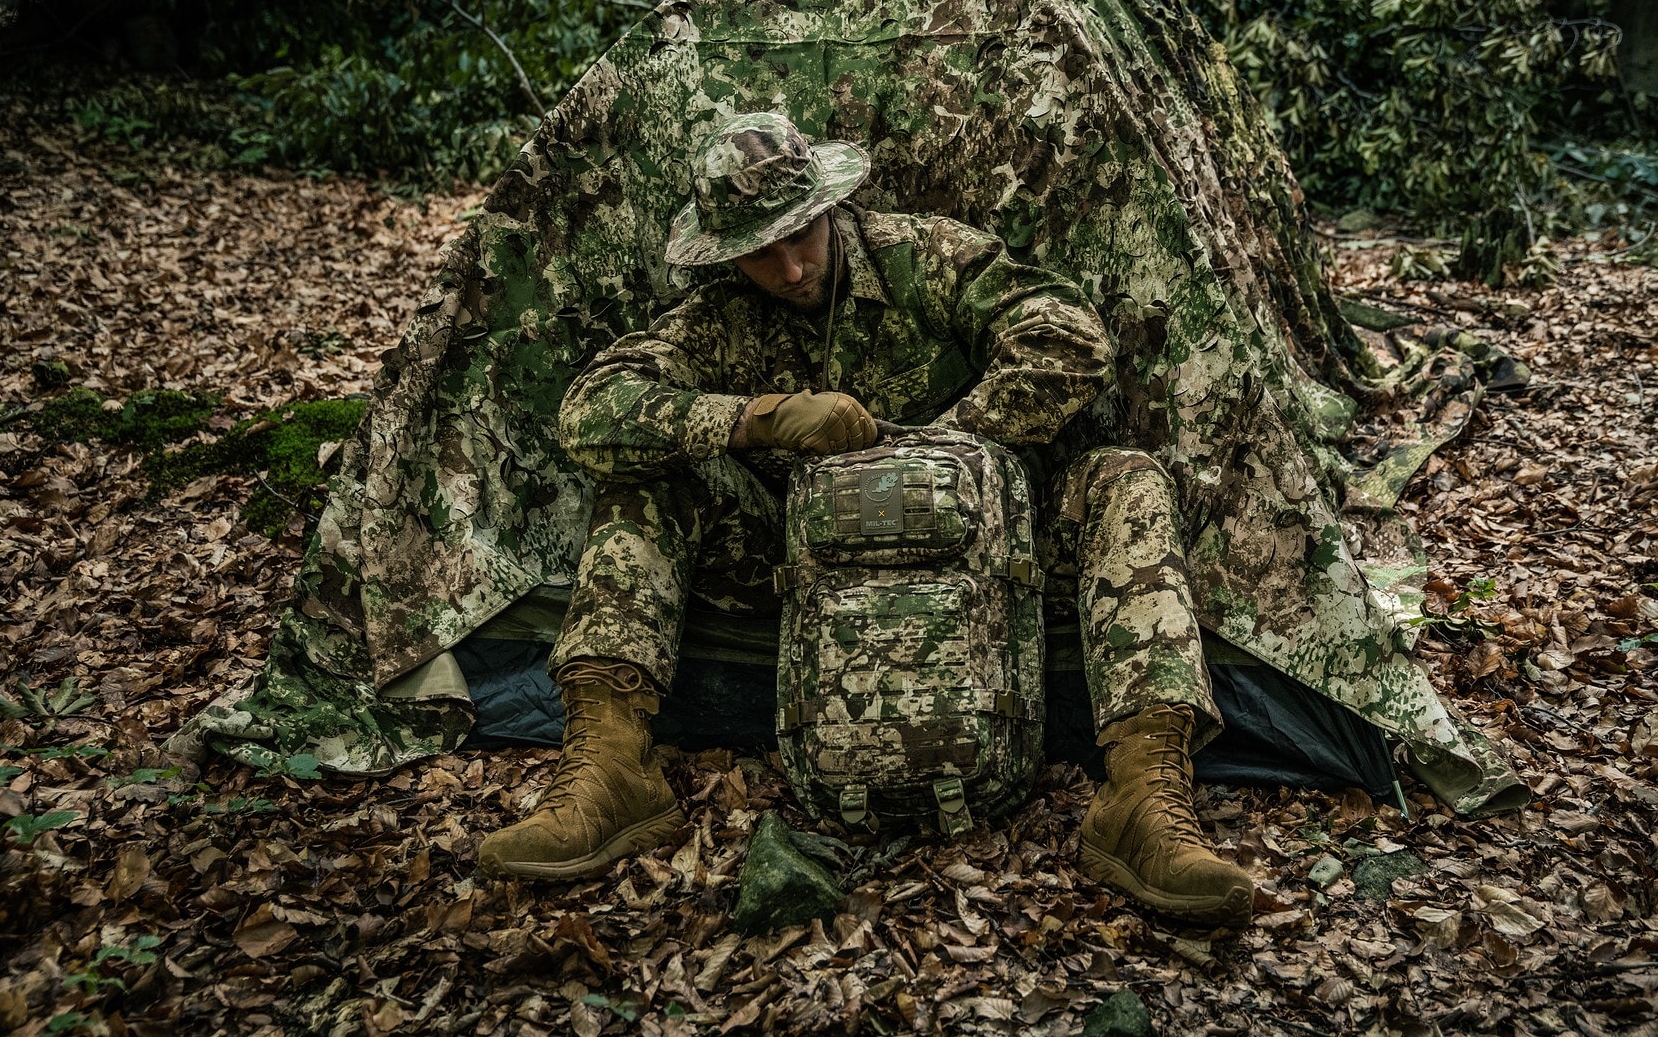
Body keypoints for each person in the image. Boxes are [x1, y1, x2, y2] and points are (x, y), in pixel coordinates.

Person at [476, 112, 1254, 924]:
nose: (787, 268)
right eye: (757, 252)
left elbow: (1069, 339)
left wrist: (935, 452)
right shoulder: (720, 317)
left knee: (1127, 481)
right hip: (803, 564)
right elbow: (593, 414)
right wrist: (758, 418)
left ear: (829, 207)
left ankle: (1143, 794)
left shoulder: (927, 257)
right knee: (641, 487)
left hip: (987, 553)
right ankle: (610, 770)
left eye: (800, 236)